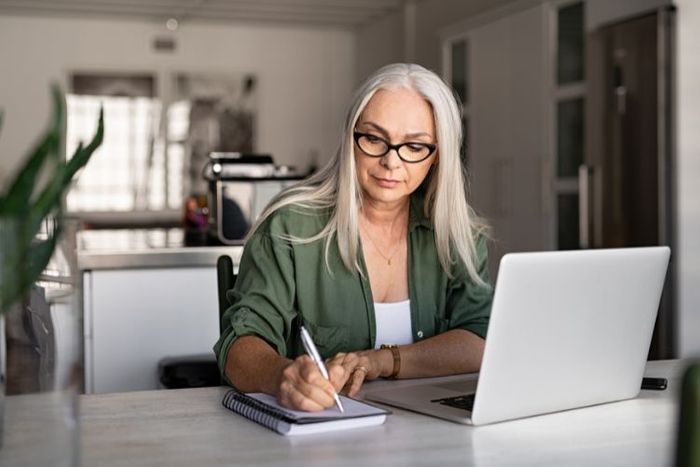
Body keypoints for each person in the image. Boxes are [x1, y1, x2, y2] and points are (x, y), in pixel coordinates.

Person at [214, 63, 493, 412]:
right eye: (374, 139)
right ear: (351, 138)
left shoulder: (457, 233)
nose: (392, 162)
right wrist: (281, 376)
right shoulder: (289, 225)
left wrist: (381, 361)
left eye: (415, 146)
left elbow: (480, 340)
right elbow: (239, 345)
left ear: (437, 156)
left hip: (433, 430)